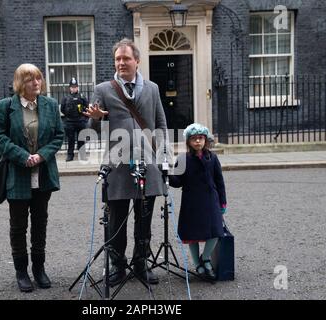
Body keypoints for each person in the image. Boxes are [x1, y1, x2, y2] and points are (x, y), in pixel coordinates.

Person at [83, 38, 168, 286]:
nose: (121, 62)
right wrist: (97, 119)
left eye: (126, 58)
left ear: (137, 61)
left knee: (144, 220)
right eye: (118, 59)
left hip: (148, 165)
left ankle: (141, 264)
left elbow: (160, 124)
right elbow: (92, 130)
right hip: (117, 166)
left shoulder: (152, 88)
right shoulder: (103, 89)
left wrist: (162, 157)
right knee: (116, 222)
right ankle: (117, 266)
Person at [0, 63, 64, 292]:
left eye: (38, 78)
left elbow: (59, 136)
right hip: (17, 174)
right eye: (30, 79)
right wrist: (24, 156)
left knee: (40, 224)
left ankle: (39, 270)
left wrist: (41, 156)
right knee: (18, 226)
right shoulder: (5, 107)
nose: (36, 83)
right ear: (20, 83)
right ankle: (21, 272)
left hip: (43, 174)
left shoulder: (51, 105)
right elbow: (0, 138)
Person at [169, 123, 227, 282]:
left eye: (200, 138)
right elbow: (177, 182)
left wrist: (223, 203)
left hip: (211, 200)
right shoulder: (182, 159)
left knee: (215, 232)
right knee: (192, 235)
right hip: (191, 202)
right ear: (188, 141)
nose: (197, 142)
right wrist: (166, 173)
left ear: (205, 140)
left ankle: (206, 258)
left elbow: (219, 181)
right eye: (193, 139)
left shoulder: (213, 158)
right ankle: (197, 264)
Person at [60, 77, 89, 161]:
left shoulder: (82, 96)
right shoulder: (65, 98)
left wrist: (84, 117)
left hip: (80, 121)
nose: (74, 88)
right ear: (70, 87)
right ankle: (70, 155)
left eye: (75, 86)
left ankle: (82, 155)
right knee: (70, 139)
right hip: (69, 122)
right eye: (72, 87)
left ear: (77, 87)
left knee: (81, 139)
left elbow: (87, 107)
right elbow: (62, 109)